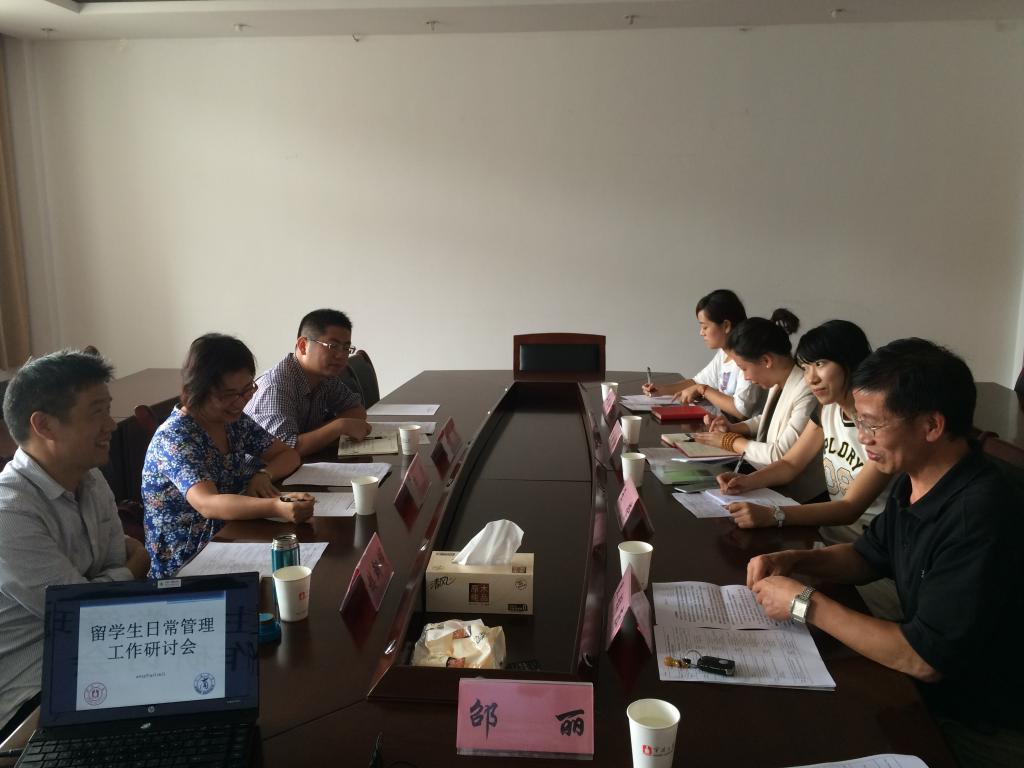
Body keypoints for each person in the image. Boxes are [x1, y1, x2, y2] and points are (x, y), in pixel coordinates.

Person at [748, 339, 1024, 767]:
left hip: (979, 721)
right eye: (860, 423)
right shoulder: (915, 479)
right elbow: (867, 556)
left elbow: (923, 658)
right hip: (928, 688)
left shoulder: (978, 514)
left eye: (873, 425)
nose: (863, 438)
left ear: (931, 426)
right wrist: (795, 561)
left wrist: (803, 603)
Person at [0, 351, 150, 741]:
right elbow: (82, 614)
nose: (111, 425)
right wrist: (133, 568)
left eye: (109, 410)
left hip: (103, 657)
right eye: (97, 412)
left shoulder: (90, 478)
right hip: (32, 697)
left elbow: (104, 596)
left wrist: (105, 584)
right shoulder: (9, 512)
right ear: (44, 425)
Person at [712, 320, 898, 618]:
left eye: (820, 364)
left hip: (867, 559)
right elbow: (790, 464)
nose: (811, 378)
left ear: (851, 362)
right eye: (805, 366)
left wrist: (774, 514)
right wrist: (746, 481)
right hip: (825, 544)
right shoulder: (827, 409)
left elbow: (850, 508)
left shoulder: (878, 428)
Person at [143, 334, 314, 578]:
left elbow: (288, 454)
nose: (240, 402)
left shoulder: (233, 421)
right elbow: (208, 503)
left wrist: (264, 474)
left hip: (233, 538)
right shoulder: (175, 437)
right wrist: (276, 506)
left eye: (247, 390)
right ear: (198, 390)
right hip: (187, 563)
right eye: (228, 394)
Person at [692, 310, 825, 502]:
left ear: (766, 361)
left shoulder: (807, 389)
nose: (745, 377)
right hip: (765, 477)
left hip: (798, 495)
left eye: (744, 369)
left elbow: (780, 455)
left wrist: (729, 440)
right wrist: (734, 428)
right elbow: (769, 419)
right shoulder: (779, 381)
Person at [244, 308, 371, 457]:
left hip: (305, 462)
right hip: (264, 470)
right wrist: (338, 427)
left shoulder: (327, 377)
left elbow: (357, 410)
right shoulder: (276, 387)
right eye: (333, 346)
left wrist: (318, 435)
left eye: (346, 348)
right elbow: (284, 452)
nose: (341, 355)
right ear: (303, 345)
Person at [643, 289, 766, 419]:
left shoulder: (748, 358)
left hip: (744, 429)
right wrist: (661, 390)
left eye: (705, 327)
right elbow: (696, 382)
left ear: (726, 326)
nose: (701, 333)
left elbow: (742, 411)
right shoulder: (723, 354)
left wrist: (703, 389)